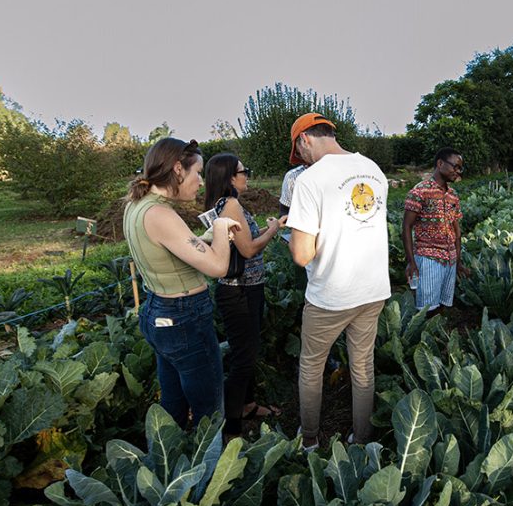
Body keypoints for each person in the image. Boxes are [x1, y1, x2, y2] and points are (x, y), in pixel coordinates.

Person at [285, 112, 391, 450]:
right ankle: (361, 439)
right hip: (372, 289)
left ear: (305, 139)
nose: (301, 159)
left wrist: (290, 234)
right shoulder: (372, 169)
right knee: (362, 365)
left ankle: (311, 440)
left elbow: (302, 255)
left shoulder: (310, 180)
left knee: (312, 366)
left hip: (331, 294)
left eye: (298, 152)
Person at [123, 138, 240, 429]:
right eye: (197, 172)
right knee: (209, 409)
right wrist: (221, 228)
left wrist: (207, 239)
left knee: (173, 400)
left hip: (159, 312)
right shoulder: (162, 214)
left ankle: (168, 459)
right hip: (185, 317)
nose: (201, 181)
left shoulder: (137, 205)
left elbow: (173, 248)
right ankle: (208, 468)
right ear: (178, 169)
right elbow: (217, 267)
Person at [203, 153, 288, 439]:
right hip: (239, 291)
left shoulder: (226, 204)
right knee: (243, 358)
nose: (247, 175)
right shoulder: (231, 204)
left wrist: (271, 227)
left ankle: (248, 405)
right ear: (230, 177)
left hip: (246, 287)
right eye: (244, 171)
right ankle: (232, 427)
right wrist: (274, 229)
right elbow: (250, 250)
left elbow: (245, 241)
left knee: (247, 352)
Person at [402, 148, 468, 316]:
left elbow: (456, 230)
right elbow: (406, 227)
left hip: (450, 258)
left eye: (460, 168)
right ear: (440, 164)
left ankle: (437, 338)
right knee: (427, 309)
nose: (458, 172)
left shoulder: (453, 195)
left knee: (443, 305)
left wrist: (458, 261)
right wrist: (411, 262)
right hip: (429, 258)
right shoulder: (419, 192)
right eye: (455, 167)